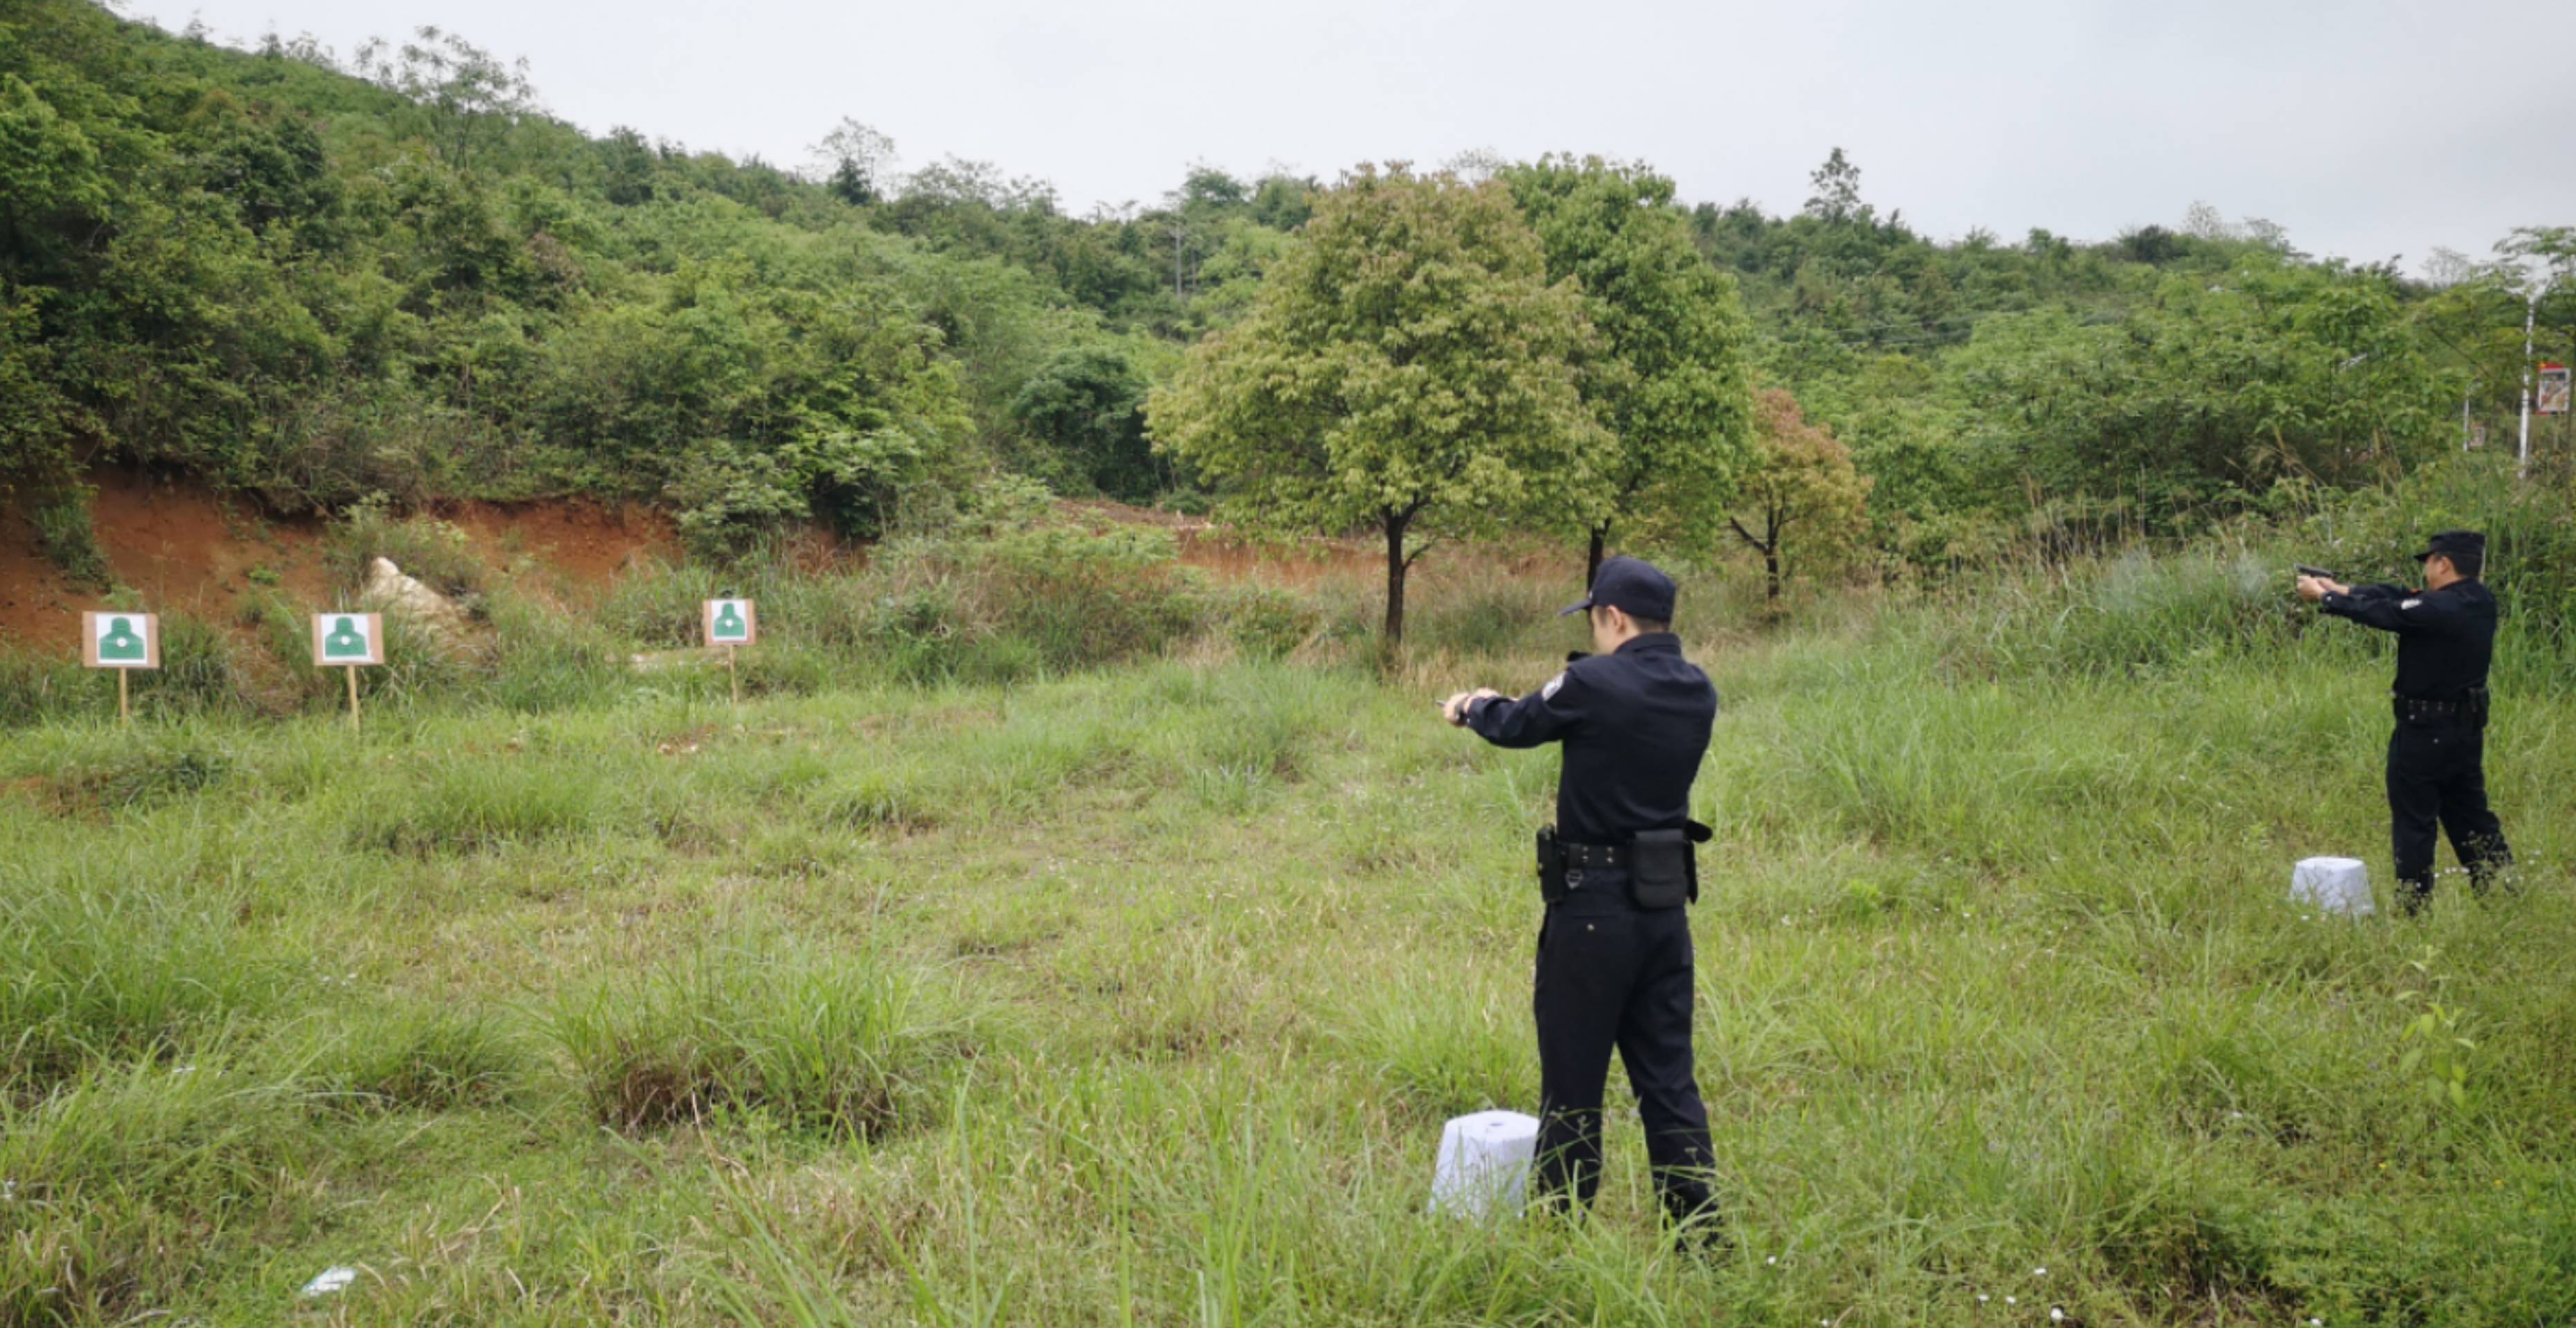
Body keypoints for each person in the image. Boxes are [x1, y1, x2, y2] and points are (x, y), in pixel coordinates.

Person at [1440, 555, 1721, 1241]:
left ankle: (1556, 1236)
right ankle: (1699, 1240)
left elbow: (1518, 724)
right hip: (1662, 909)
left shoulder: (1593, 682)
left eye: (1595, 622)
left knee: (1572, 1085)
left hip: (1591, 908)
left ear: (1613, 617)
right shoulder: (1697, 688)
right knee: (1667, 1083)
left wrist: (1471, 706)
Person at [2297, 531, 2512, 913]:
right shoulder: (2478, 601)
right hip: (2463, 731)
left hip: (2424, 730)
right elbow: (2400, 596)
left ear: (2443, 563)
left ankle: (2414, 908)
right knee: (2471, 815)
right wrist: (2343, 589)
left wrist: (2325, 598)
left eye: (2429, 561)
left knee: (2415, 822)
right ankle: (2503, 891)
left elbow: (2390, 612)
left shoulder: (2438, 610)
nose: (2427, 570)